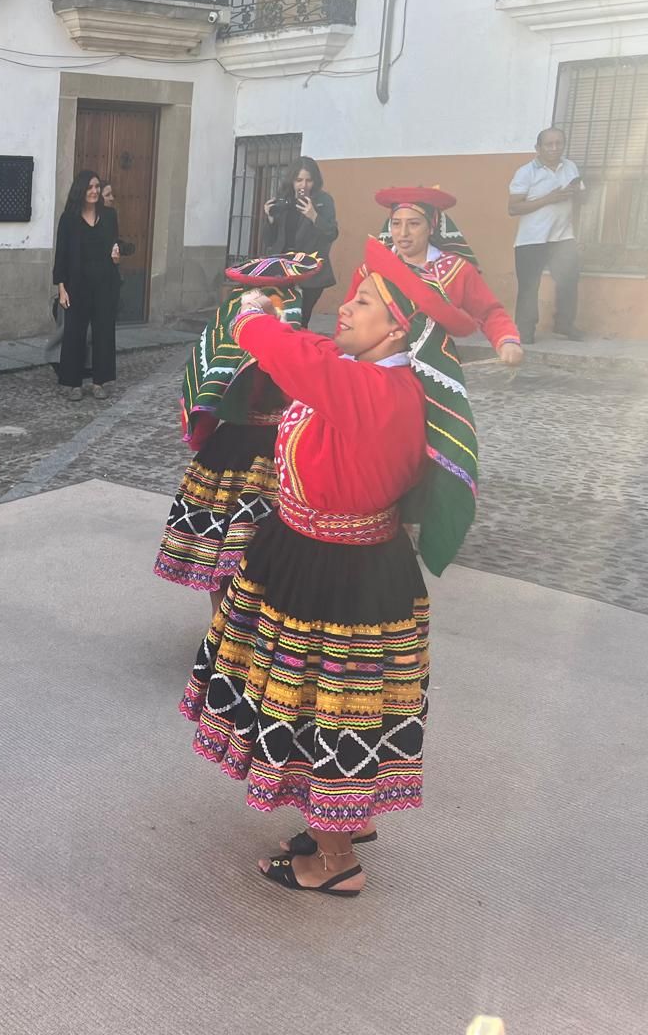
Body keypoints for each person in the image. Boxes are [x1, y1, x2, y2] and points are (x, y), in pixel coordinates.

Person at [180, 237, 480, 898]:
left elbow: (296, 357)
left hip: (341, 575)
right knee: (328, 704)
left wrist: (254, 316)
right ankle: (337, 823)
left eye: (363, 302)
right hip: (325, 557)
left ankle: (336, 859)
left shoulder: (377, 391)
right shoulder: (368, 376)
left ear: (398, 326)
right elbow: (314, 356)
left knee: (331, 707)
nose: (345, 310)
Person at [154, 253, 324, 613]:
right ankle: (225, 627)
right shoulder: (246, 336)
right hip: (258, 451)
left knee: (236, 552)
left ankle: (231, 626)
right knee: (229, 551)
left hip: (246, 450)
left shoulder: (251, 334)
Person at [363, 186, 524, 366]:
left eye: (414, 224)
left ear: (431, 227)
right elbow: (351, 315)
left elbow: (489, 312)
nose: (403, 233)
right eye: (396, 223)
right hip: (376, 364)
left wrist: (507, 341)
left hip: (433, 365)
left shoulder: (455, 270)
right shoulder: (374, 268)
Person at [508, 126, 583, 342]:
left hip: (563, 236)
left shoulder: (570, 167)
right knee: (530, 286)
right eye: (549, 144)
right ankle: (525, 330)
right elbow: (513, 208)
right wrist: (550, 198)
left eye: (558, 143)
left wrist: (577, 193)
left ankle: (565, 325)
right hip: (532, 239)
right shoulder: (526, 172)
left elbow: (578, 199)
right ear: (537, 148)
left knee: (569, 281)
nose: (554, 148)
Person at [53, 169, 122, 401]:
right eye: (90, 187)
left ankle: (99, 382)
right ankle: (72, 383)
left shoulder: (110, 216)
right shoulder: (69, 219)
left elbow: (115, 248)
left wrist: (116, 255)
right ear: (80, 190)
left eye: (96, 187)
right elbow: (61, 254)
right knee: (74, 333)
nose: (94, 191)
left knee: (104, 332)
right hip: (76, 285)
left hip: (105, 283)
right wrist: (61, 287)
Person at [261, 156, 339, 319]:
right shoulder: (284, 200)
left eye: (308, 180)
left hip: (309, 271)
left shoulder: (323, 201)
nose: (303, 185)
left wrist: (314, 216)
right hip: (282, 270)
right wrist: (270, 220)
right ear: (292, 181)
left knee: (301, 318)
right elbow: (269, 240)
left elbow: (332, 233)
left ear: (315, 181)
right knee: (280, 316)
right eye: (299, 180)